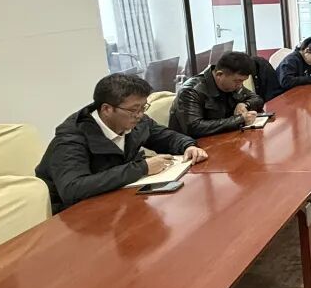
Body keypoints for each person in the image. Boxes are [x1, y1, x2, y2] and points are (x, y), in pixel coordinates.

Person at [35, 73, 208, 213]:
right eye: (134, 110)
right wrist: (142, 168)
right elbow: (73, 188)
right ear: (107, 109)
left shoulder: (135, 121)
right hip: (75, 216)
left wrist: (188, 145)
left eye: (143, 108)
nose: (140, 115)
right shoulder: (70, 139)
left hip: (118, 199)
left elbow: (165, 137)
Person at [170, 51, 265, 137]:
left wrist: (244, 104)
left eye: (242, 81)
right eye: (238, 81)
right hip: (192, 146)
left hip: (223, 138)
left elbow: (257, 99)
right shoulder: (191, 91)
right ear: (219, 74)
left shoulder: (232, 85)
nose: (240, 85)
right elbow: (194, 128)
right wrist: (240, 120)